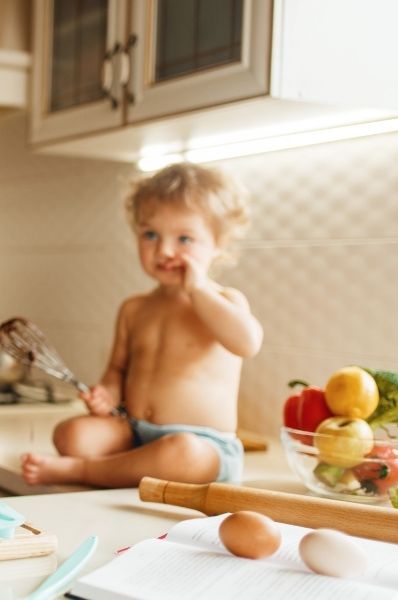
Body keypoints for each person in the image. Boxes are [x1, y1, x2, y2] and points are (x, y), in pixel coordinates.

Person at [21, 163, 262, 487]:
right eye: (150, 235)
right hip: (133, 431)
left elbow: (247, 342)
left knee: (182, 453)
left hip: (202, 444)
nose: (164, 250)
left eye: (184, 239)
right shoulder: (135, 309)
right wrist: (106, 395)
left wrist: (198, 289)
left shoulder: (224, 301)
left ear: (219, 243)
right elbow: (117, 371)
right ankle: (130, 467)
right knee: (72, 435)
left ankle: (84, 471)